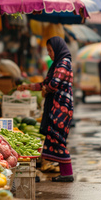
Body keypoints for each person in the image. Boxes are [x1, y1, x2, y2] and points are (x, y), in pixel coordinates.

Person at [18, 36, 74, 182]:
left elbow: (54, 84)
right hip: (56, 105)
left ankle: (67, 174)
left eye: (50, 50)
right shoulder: (57, 63)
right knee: (54, 137)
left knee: (58, 138)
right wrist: (28, 87)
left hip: (62, 106)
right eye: (48, 50)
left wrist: (46, 90)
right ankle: (65, 173)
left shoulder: (64, 62)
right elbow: (45, 83)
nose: (49, 53)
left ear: (57, 49)